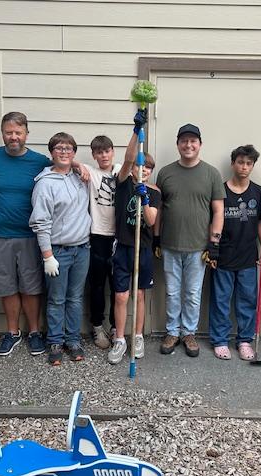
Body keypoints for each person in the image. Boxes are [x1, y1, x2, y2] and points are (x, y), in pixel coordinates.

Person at [0, 112, 49, 357]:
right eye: (9, 132)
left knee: (31, 286)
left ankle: (34, 332)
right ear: (2, 134)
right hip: (0, 235)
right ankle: (12, 332)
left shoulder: (40, 161)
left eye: (18, 132)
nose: (13, 137)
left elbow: (61, 172)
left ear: (26, 134)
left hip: (31, 235)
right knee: (6, 286)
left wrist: (78, 166)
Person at [156, 124, 225, 357]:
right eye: (184, 141)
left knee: (193, 294)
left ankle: (189, 333)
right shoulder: (165, 173)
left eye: (193, 141)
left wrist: (214, 243)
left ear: (200, 144)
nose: (188, 145)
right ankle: (172, 332)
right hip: (169, 245)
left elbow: (218, 211)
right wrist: (156, 238)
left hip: (198, 247)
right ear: (178, 144)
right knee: (172, 292)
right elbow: (159, 209)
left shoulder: (211, 174)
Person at [29, 132, 91, 366]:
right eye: (59, 148)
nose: (64, 152)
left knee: (75, 297)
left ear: (74, 153)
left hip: (82, 249)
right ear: (51, 152)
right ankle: (55, 341)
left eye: (68, 149)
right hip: (58, 252)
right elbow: (40, 221)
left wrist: (78, 165)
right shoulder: (45, 183)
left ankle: (73, 340)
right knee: (56, 299)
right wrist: (47, 255)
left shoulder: (80, 177)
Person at [108, 124, 161, 365]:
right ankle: (120, 339)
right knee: (121, 296)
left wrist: (145, 198)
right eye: (140, 166)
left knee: (139, 294)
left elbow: (150, 221)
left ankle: (137, 336)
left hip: (144, 249)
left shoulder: (154, 192)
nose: (143, 170)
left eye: (148, 167)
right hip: (123, 247)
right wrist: (136, 130)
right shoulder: (123, 183)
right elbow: (129, 158)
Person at [208, 145, 261, 362]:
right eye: (240, 162)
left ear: (253, 166)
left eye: (249, 163)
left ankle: (244, 341)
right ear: (233, 164)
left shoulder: (260, 193)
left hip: (248, 256)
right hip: (224, 255)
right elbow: (212, 222)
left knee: (247, 300)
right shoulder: (220, 191)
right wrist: (212, 250)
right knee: (221, 300)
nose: (244, 167)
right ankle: (220, 340)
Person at [82, 135, 121, 350]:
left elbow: (135, 166)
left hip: (119, 237)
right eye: (99, 152)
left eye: (107, 151)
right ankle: (97, 326)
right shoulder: (91, 172)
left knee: (117, 286)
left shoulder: (121, 170)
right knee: (97, 285)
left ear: (112, 151)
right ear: (94, 155)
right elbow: (69, 162)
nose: (104, 155)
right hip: (97, 236)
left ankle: (116, 327)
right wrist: (80, 165)